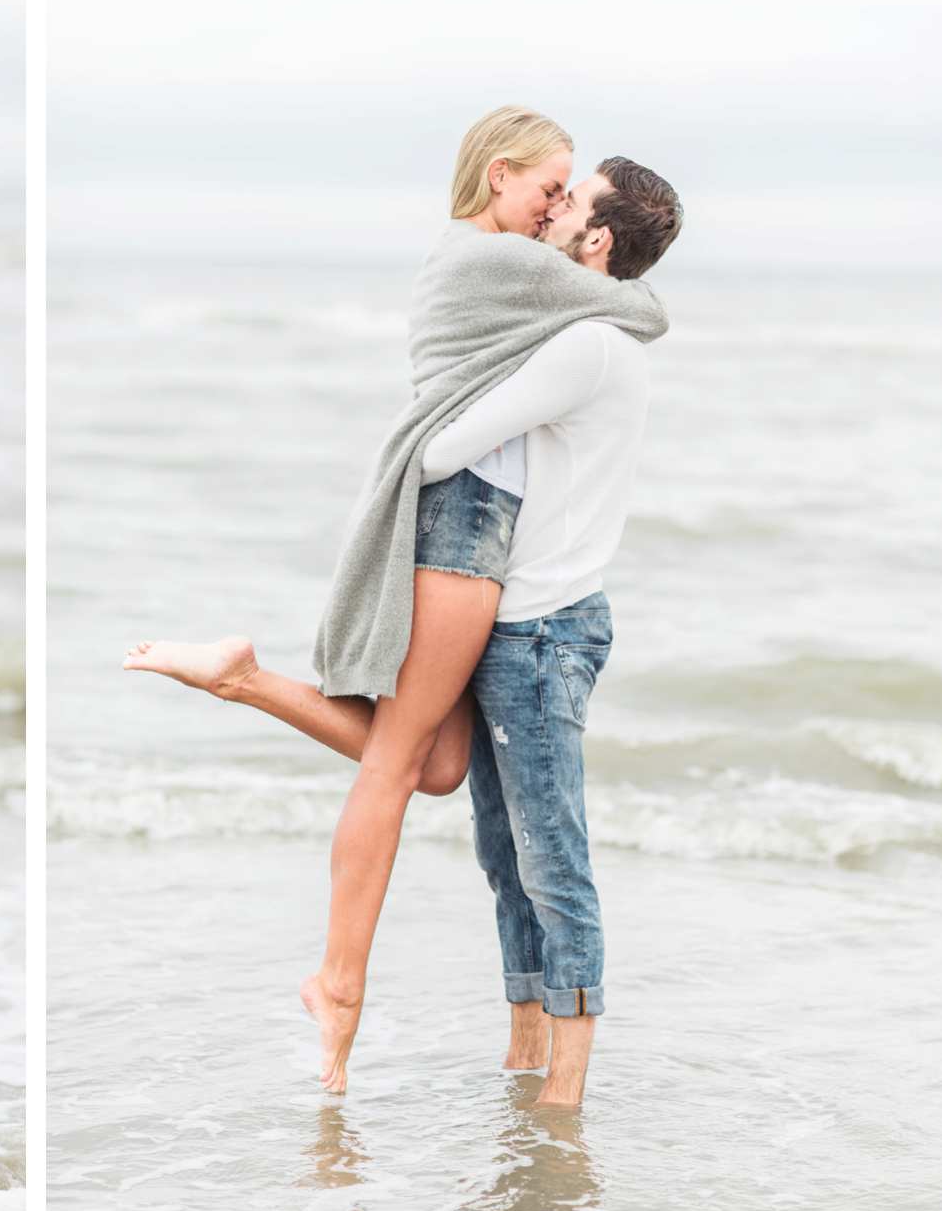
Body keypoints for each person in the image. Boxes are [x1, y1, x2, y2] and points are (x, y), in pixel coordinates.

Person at [124, 109, 681, 1104]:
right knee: (402, 766)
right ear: (499, 174)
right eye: (545, 186)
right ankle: (340, 986)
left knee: (433, 766)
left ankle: (240, 677)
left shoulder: (523, 289)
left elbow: (578, 333)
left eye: (569, 195)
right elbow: (625, 321)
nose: (553, 206)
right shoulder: (500, 270)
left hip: (484, 549)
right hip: (468, 533)